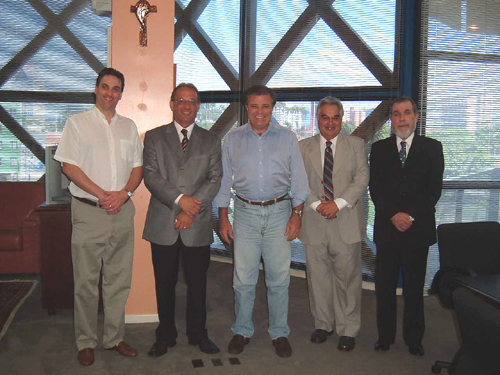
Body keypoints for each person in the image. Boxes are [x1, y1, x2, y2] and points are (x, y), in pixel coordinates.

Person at [54, 67, 143, 366]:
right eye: (105, 87)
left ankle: (114, 337)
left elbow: (137, 168)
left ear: (121, 92)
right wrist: (103, 194)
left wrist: (125, 193)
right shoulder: (77, 124)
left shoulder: (129, 126)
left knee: (119, 280)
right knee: (86, 282)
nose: (110, 93)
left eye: (116, 88)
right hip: (89, 212)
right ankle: (86, 341)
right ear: (96, 89)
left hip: (122, 212)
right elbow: (69, 166)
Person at [214, 85, 309, 358]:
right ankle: (242, 330)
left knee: (279, 279)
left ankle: (279, 332)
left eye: (265, 106)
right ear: (247, 108)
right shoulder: (232, 138)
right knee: (243, 278)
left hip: (280, 212)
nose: (259, 111)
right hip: (244, 213)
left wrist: (297, 214)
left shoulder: (288, 138)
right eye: (254, 106)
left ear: (272, 108)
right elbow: (224, 182)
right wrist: (223, 218)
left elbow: (300, 182)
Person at [143, 83, 222, 357]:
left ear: (198, 105)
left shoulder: (211, 140)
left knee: (198, 283)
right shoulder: (154, 137)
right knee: (163, 283)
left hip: (197, 223)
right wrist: (180, 202)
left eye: (192, 101)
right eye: (181, 100)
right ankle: (165, 335)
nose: (186, 106)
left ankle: (198, 334)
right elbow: (151, 176)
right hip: (162, 222)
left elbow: (215, 179)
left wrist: (190, 210)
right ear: (171, 103)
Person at [369, 96, 444, 356]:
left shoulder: (433, 148)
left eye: (407, 113)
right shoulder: (379, 149)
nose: (402, 119)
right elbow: (375, 189)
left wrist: (409, 215)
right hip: (387, 229)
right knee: (385, 288)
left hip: (417, 229)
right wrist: (393, 215)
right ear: (391, 119)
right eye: (397, 114)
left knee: (414, 288)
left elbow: (433, 190)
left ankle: (414, 339)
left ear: (416, 116)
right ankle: (385, 337)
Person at [298, 97, 369, 351]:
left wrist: (337, 203)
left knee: (348, 278)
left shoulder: (356, 145)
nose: (330, 122)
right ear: (317, 119)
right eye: (325, 117)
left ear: (342, 119)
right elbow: (297, 182)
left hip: (345, 219)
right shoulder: (303, 146)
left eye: (335, 117)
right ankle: (322, 324)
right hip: (314, 220)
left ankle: (348, 329)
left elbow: (361, 178)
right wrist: (318, 204)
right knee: (317, 278)